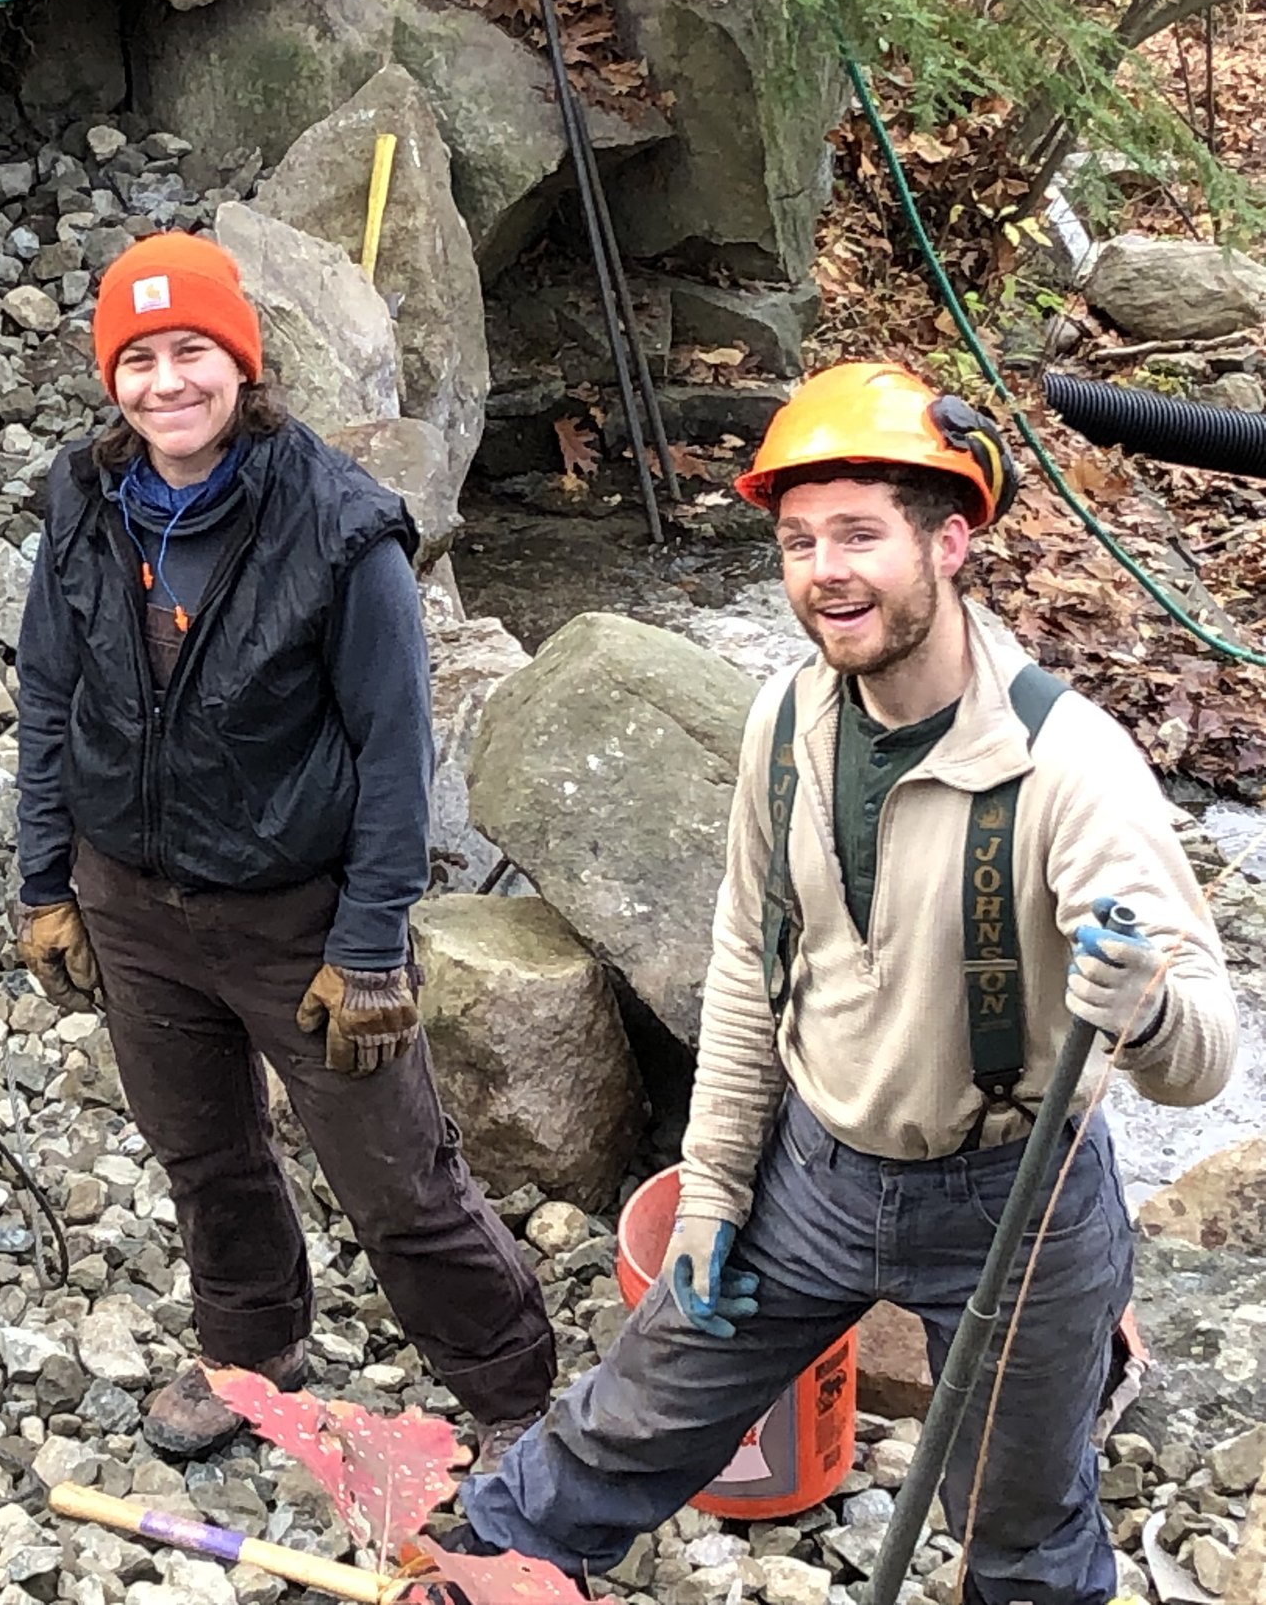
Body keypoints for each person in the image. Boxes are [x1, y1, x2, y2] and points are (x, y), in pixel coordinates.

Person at [452, 362, 1239, 1601]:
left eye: (861, 534)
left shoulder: (1067, 765)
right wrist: (711, 1189)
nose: (824, 570)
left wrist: (1139, 1004)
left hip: (1012, 1205)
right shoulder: (787, 721)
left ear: (952, 542)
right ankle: (481, 1562)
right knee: (627, 1420)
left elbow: (1204, 1065)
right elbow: (745, 966)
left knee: (1020, 1531)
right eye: (798, 538)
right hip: (810, 1172)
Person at [11, 231, 558, 1464]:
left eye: (191, 353)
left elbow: (392, 749)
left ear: (242, 365)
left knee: (400, 1184)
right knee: (202, 1149)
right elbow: (48, 695)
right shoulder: (82, 499)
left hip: (293, 917)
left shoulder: (342, 530)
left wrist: (369, 948)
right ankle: (252, 1353)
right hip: (133, 903)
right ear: (112, 379)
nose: (165, 384)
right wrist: (46, 882)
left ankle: (518, 1397)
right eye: (138, 360)